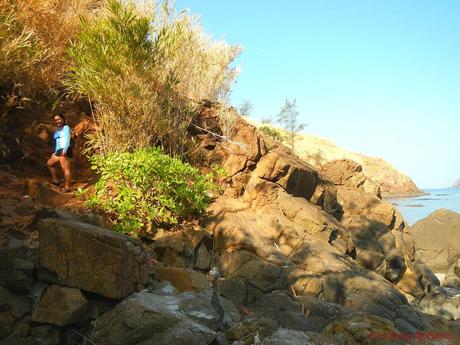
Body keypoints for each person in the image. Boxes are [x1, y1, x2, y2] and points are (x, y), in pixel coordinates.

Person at [47, 114, 73, 192]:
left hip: (64, 150)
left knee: (66, 169)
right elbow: (58, 142)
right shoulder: (59, 130)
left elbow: (67, 140)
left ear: (63, 119)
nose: (57, 121)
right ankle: (56, 181)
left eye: (58, 119)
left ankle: (67, 187)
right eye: (55, 120)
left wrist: (64, 151)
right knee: (49, 164)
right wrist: (55, 152)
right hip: (59, 151)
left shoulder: (66, 128)